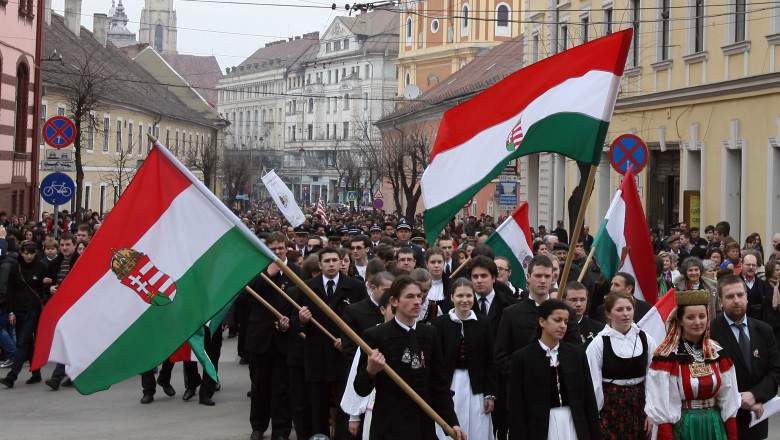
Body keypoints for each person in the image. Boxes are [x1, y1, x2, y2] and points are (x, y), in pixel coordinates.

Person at [355, 275, 465, 440]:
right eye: (410, 296)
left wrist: (452, 422)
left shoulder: (429, 333)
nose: (417, 301)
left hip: (423, 425)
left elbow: (439, 386)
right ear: (394, 301)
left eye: (419, 296)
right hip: (389, 426)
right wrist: (370, 370)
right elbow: (360, 388)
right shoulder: (375, 335)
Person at [645, 289, 741, 440]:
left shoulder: (717, 351)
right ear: (680, 320)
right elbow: (661, 403)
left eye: (702, 316)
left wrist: (732, 435)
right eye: (690, 317)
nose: (698, 322)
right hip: (684, 427)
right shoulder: (667, 356)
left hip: (714, 425)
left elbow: (729, 397)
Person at [297, 247, 367, 439]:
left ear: (341, 262)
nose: (331, 264)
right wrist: (301, 320)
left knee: (343, 403)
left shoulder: (355, 287)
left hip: (343, 356)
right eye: (326, 261)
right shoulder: (307, 287)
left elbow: (363, 320)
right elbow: (296, 327)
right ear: (320, 265)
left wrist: (346, 341)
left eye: (334, 260)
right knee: (317, 404)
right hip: (316, 355)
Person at [508, 299, 600, 440]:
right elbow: (516, 405)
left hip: (573, 424)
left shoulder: (576, 354)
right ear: (542, 322)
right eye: (557, 320)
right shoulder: (522, 358)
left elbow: (588, 399)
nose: (563, 326)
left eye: (565, 321)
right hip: (539, 427)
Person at [710, 275, 780, 440]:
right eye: (729, 296)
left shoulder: (764, 330)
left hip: (758, 416)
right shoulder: (710, 332)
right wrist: (739, 400)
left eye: (740, 295)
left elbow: (776, 370)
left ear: (747, 297)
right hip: (724, 419)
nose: (736, 300)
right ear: (720, 302)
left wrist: (755, 395)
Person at [246, 232, 296, 440]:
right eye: (272, 249)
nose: (277, 252)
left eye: (280, 248)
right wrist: (270, 273)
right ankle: (258, 426)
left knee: (282, 388)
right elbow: (246, 294)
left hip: (284, 339)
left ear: (286, 248)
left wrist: (290, 322)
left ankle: (281, 430)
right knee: (260, 386)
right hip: (261, 339)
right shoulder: (257, 270)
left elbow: (302, 302)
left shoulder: (296, 272)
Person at [586, 292, 657, 439]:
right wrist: (596, 415)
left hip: (640, 405)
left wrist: (651, 412)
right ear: (608, 314)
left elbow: (653, 378)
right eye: (619, 310)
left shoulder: (646, 339)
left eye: (629, 309)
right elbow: (594, 383)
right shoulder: (599, 343)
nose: (626, 314)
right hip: (611, 406)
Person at [432, 278, 495, 440]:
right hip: (450, 386)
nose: (465, 300)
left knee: (476, 428)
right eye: (460, 296)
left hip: (476, 387)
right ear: (452, 297)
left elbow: (490, 360)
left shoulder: (484, 323)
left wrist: (489, 394)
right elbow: (436, 362)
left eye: (469, 295)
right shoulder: (439, 324)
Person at [0, 240, 49, 388]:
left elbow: (45, 291)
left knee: (22, 342)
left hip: (33, 310)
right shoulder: (16, 266)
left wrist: (45, 284)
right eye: (26, 253)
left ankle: (11, 376)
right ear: (21, 252)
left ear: (36, 253)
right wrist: (11, 311)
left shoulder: (41, 266)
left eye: (31, 253)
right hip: (18, 309)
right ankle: (36, 373)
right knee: (27, 344)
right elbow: (11, 290)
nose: (28, 256)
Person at [562, 281, 604, 346]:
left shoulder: (600, 329)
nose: (579, 304)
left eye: (582, 300)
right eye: (574, 300)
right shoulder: (557, 327)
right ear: (563, 301)